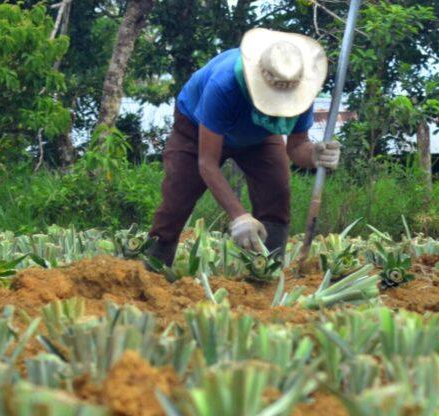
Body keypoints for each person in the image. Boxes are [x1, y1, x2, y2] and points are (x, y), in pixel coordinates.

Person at [145, 28, 341, 266]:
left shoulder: (298, 87)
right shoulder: (223, 84)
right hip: (196, 130)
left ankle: (266, 270)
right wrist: (239, 216)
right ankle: (154, 267)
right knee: (178, 196)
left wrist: (315, 155)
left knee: (277, 191)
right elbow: (207, 163)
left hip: (258, 134)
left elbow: (297, 147)